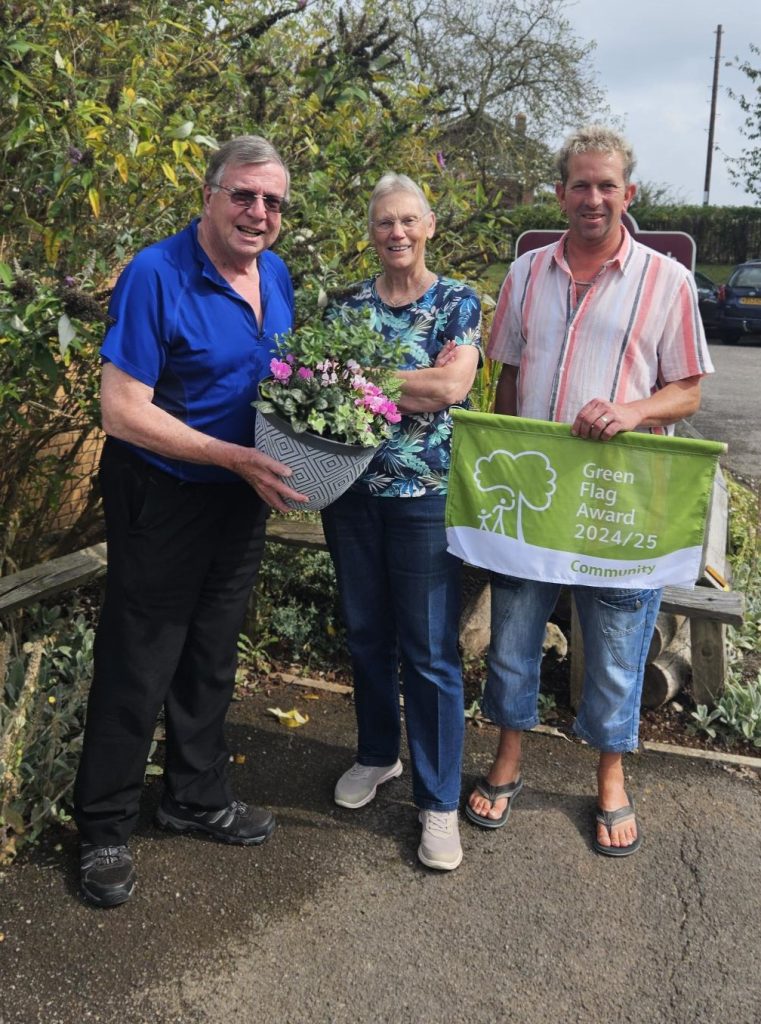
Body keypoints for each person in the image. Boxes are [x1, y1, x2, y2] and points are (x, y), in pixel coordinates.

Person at [464, 125, 714, 854]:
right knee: (512, 635)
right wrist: (501, 460)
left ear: (628, 194)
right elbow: (506, 373)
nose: (593, 197)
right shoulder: (526, 274)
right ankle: (508, 756)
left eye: (607, 185)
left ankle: (608, 773)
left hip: (619, 500)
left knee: (614, 641)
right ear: (560, 194)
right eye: (580, 184)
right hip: (535, 495)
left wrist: (631, 410)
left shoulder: (665, 281)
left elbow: (689, 391)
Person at [74, 135, 308, 907]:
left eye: (271, 201)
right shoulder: (156, 272)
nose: (258, 212)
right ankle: (103, 827)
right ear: (209, 196)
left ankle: (194, 795)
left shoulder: (274, 275)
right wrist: (228, 455)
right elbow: (121, 410)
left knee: (211, 653)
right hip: (165, 490)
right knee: (141, 657)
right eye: (243, 195)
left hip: (238, 495)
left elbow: (281, 384)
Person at [321, 173, 481, 871]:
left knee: (428, 650)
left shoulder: (455, 301)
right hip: (349, 491)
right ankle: (377, 754)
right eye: (384, 223)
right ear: (370, 232)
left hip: (422, 498)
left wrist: (365, 378)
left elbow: (451, 387)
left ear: (429, 226)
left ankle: (438, 802)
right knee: (365, 635)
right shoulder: (346, 305)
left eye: (407, 221)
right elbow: (316, 382)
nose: (396, 233)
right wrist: (401, 383)